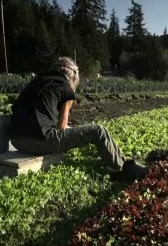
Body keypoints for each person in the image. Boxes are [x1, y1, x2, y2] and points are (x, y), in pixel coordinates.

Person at [8, 57, 148, 180]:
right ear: (73, 78)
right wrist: (73, 131)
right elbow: (62, 127)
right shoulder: (66, 88)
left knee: (90, 131)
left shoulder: (38, 81)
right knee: (97, 131)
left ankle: (124, 161)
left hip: (16, 140)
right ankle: (123, 169)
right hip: (38, 142)